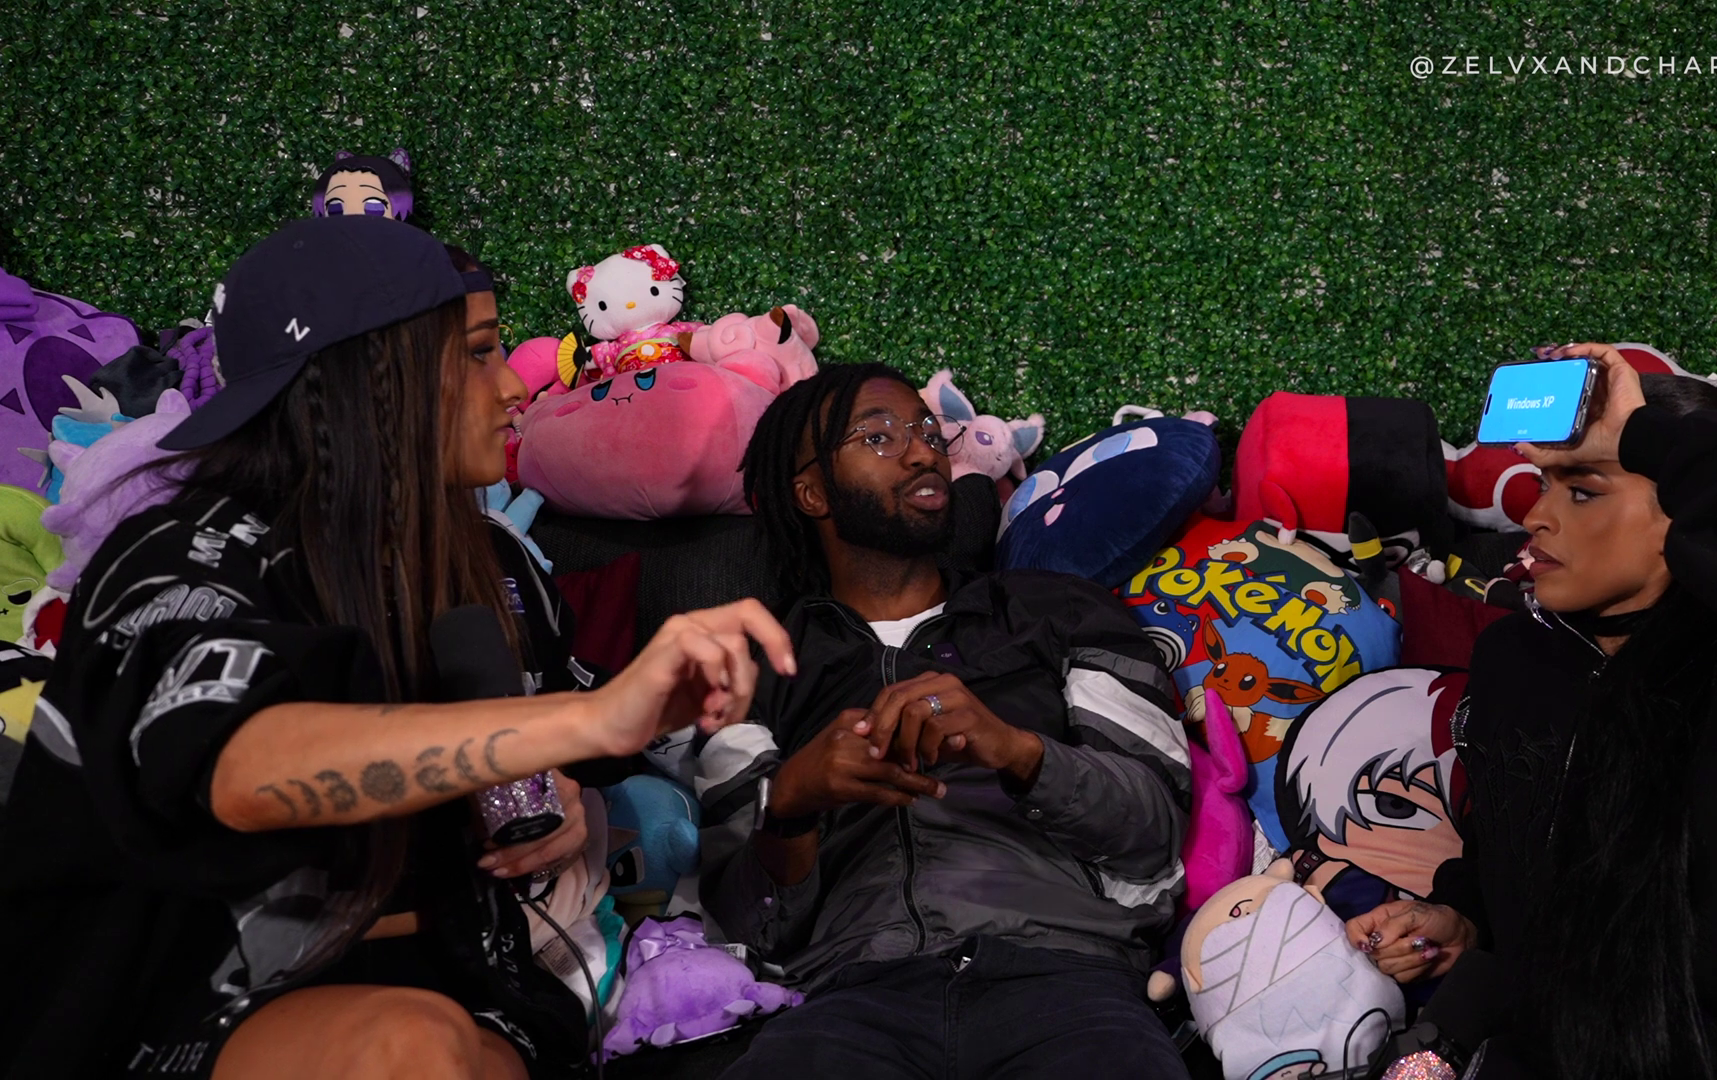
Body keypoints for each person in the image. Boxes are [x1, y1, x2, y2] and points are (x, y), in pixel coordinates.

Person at [0, 217, 793, 1080]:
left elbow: (540, 769)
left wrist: (565, 791)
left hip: (475, 980)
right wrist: (590, 719)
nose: (512, 387)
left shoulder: (488, 567)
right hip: (164, 1014)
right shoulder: (183, 556)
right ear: (368, 377)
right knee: (409, 1047)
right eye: (480, 352)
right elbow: (241, 766)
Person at [1347, 344, 1717, 1078]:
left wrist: (1650, 437)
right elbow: (1512, 857)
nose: (1537, 515)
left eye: (1584, 491)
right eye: (1544, 484)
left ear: (1696, 512)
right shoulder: (1514, 660)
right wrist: (1460, 918)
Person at [702, 362, 1192, 1079]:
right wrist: (790, 807)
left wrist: (1017, 751)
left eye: (929, 432)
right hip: (854, 995)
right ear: (812, 493)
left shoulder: (1058, 611)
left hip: (1064, 976)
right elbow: (749, 925)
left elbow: (1152, 832)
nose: (922, 452)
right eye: (878, 436)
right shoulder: (752, 667)